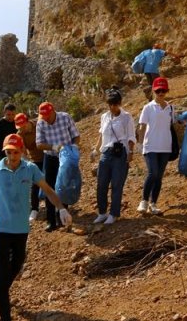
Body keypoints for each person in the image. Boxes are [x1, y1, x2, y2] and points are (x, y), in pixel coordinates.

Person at [0, 134, 72, 321]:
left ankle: (3, 291)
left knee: (18, 264)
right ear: (4, 151)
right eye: (8, 152)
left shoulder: (30, 169)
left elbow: (47, 190)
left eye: (15, 151)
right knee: (2, 272)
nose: (12, 156)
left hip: (21, 229)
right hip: (1, 228)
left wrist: (61, 208)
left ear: (21, 151)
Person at [91, 89, 136, 224]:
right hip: (106, 152)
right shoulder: (104, 117)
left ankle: (114, 213)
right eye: (110, 104)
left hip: (120, 153)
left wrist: (130, 152)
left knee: (117, 184)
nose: (112, 107)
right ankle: (102, 212)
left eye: (115, 104)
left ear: (120, 103)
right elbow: (101, 135)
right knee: (101, 183)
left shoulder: (127, 117)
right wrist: (96, 150)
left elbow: (131, 137)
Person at [35, 101, 81, 232]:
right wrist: (54, 147)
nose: (46, 119)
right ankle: (51, 221)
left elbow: (76, 136)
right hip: (50, 156)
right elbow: (39, 144)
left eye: (47, 116)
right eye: (43, 117)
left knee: (64, 185)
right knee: (49, 187)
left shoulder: (65, 117)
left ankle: (63, 217)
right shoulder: (41, 123)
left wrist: (74, 146)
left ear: (53, 111)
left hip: (65, 156)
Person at [137, 77, 176, 215]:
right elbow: (142, 127)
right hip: (150, 146)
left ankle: (153, 204)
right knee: (152, 173)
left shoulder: (171, 108)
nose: (161, 93)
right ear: (154, 91)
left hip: (165, 146)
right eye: (158, 90)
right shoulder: (148, 108)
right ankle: (144, 201)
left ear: (167, 91)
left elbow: (173, 124)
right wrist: (140, 144)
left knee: (159, 176)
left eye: (163, 90)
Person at [13, 112, 45, 221]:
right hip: (36, 160)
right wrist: (28, 164)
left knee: (51, 180)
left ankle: (57, 205)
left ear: (28, 121)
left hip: (48, 155)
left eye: (23, 126)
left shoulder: (40, 125)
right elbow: (23, 152)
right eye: (19, 127)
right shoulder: (19, 135)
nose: (22, 128)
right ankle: (34, 209)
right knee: (35, 184)